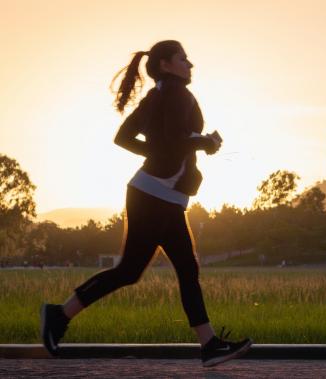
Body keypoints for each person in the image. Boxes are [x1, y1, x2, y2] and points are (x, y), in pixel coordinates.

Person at [40, 40, 252, 367]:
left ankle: (209, 345)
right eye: (184, 58)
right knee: (132, 270)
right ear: (166, 64)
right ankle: (58, 315)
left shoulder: (157, 96)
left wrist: (160, 154)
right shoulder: (176, 95)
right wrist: (206, 141)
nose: (190, 64)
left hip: (158, 194)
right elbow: (172, 141)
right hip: (154, 195)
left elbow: (124, 137)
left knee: (184, 268)